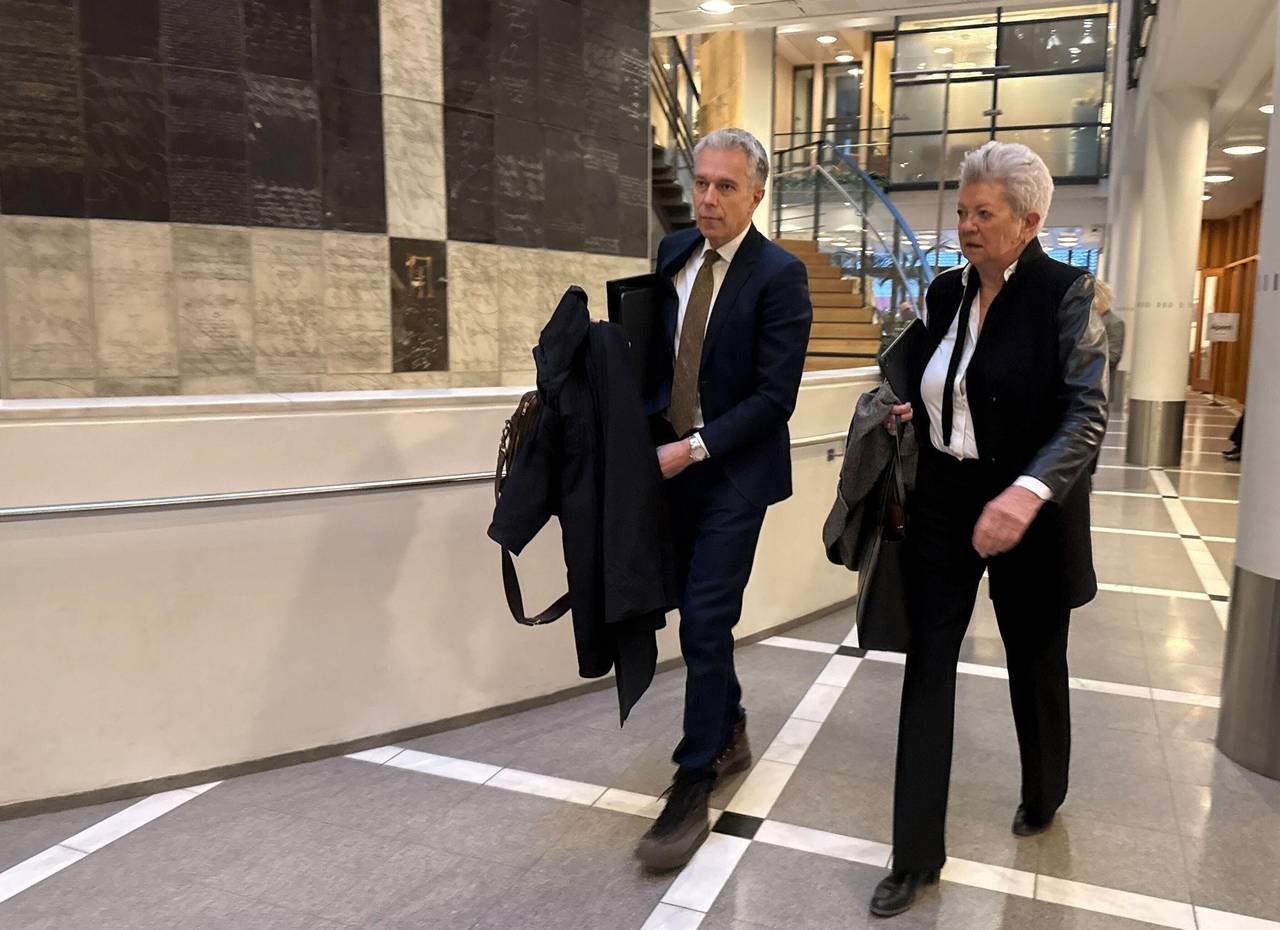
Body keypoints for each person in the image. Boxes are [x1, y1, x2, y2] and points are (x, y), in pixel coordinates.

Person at [870, 141, 1108, 917]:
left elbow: (1087, 412)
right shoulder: (945, 292)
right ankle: (913, 857)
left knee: (1034, 661)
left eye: (984, 214)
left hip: (1029, 504)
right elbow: (930, 375)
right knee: (926, 665)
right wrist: (910, 408)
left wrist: (1027, 493)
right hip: (944, 499)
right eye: (963, 212)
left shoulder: (1067, 294)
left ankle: (1044, 791)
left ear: (1029, 221)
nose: (966, 227)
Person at [635, 128, 814, 871]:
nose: (707, 198)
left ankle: (694, 776)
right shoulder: (674, 252)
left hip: (734, 470)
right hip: (671, 467)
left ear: (756, 195)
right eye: (701, 183)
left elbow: (775, 398)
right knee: (689, 608)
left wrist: (694, 448)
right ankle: (731, 723)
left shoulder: (781, 276)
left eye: (725, 187)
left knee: (708, 616)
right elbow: (656, 355)